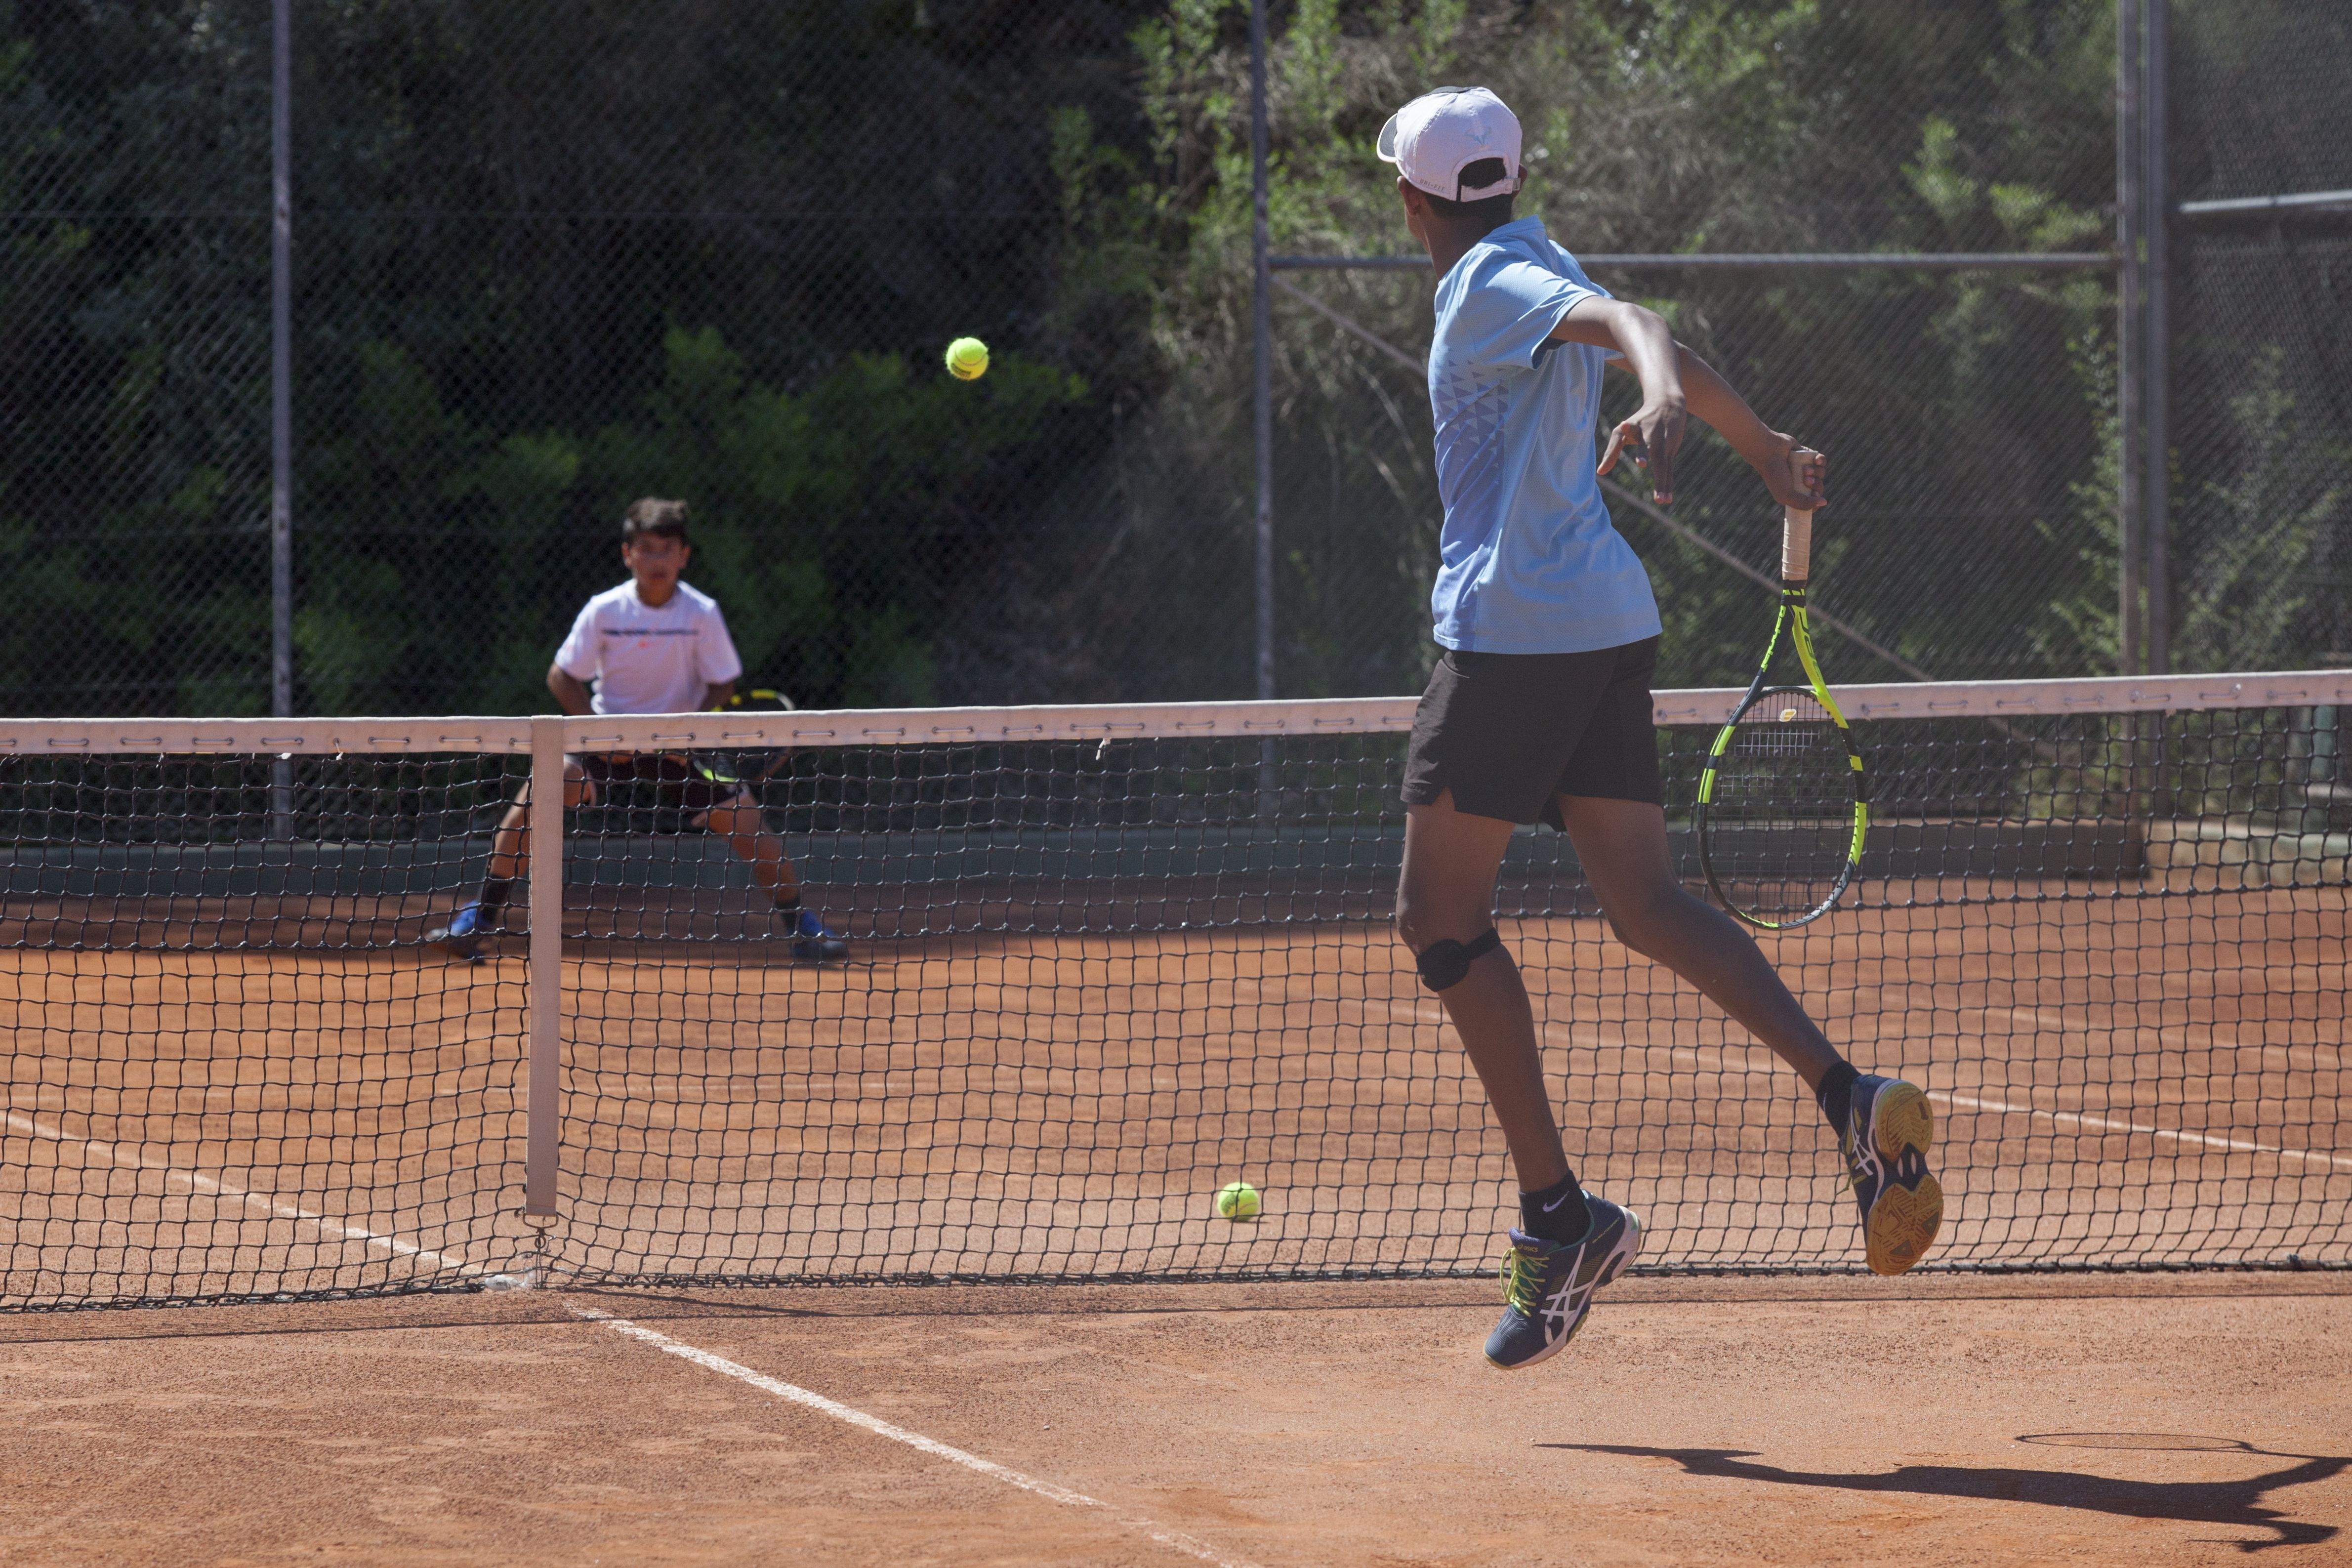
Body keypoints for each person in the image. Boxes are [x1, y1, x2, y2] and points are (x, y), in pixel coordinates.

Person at [1376, 87, 1941, 1370]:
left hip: (1512, 635)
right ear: (1506, 180)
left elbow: (1635, 327)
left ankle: (1558, 1217)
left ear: (1413, 200)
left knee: (1436, 916)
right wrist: (1759, 447)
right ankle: (1848, 1096)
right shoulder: (1540, 257)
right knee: (1641, 900)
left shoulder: (1481, 286)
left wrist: (1652, 385)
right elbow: (1640, 330)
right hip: (1600, 625)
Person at [425, 498, 848, 964]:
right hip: (605, 740)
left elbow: (723, 680)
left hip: (684, 748)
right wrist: (599, 733)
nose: (657, 560)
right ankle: (480, 919)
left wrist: (689, 730)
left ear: (684, 556)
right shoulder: (604, 610)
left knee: (749, 824)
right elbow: (561, 676)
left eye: (667, 550)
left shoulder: (701, 614)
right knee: (540, 793)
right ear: (628, 554)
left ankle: (803, 928)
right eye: (646, 549)